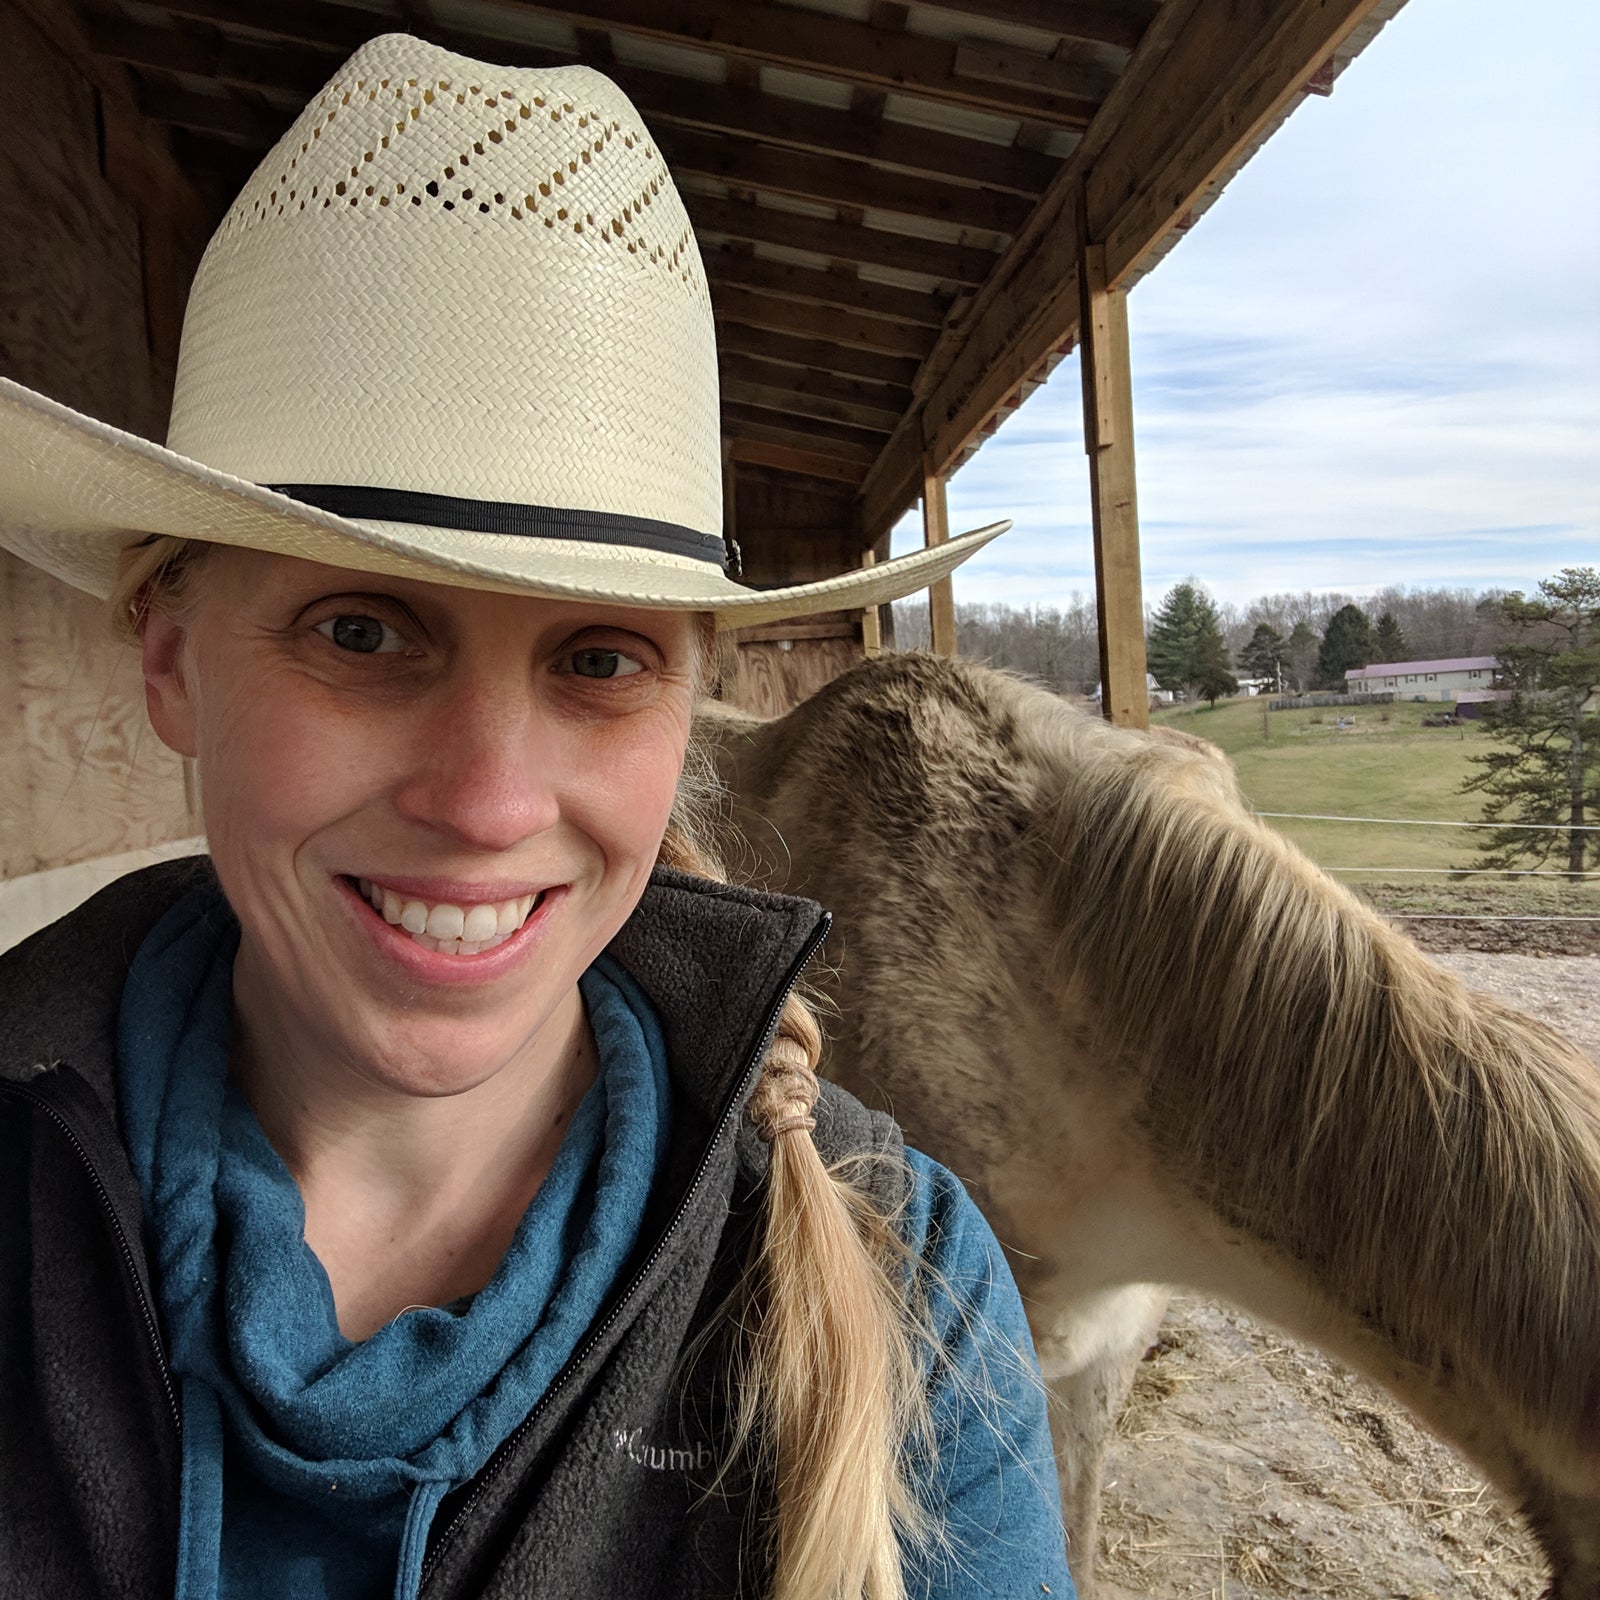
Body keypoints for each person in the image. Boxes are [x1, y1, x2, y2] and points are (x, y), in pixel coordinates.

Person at [0, 33, 1073, 1600]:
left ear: (690, 699)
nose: (491, 803)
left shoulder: (905, 1288)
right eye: (364, 633)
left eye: (597, 660)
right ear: (168, 654)